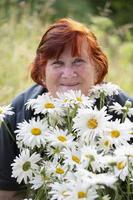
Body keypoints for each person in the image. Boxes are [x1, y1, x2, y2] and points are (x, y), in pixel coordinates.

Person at [0, 18, 133, 200]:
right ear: (42, 71)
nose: (69, 74)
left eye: (78, 61)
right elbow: (6, 193)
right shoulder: (21, 113)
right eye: (57, 63)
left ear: (97, 66)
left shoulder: (122, 110)